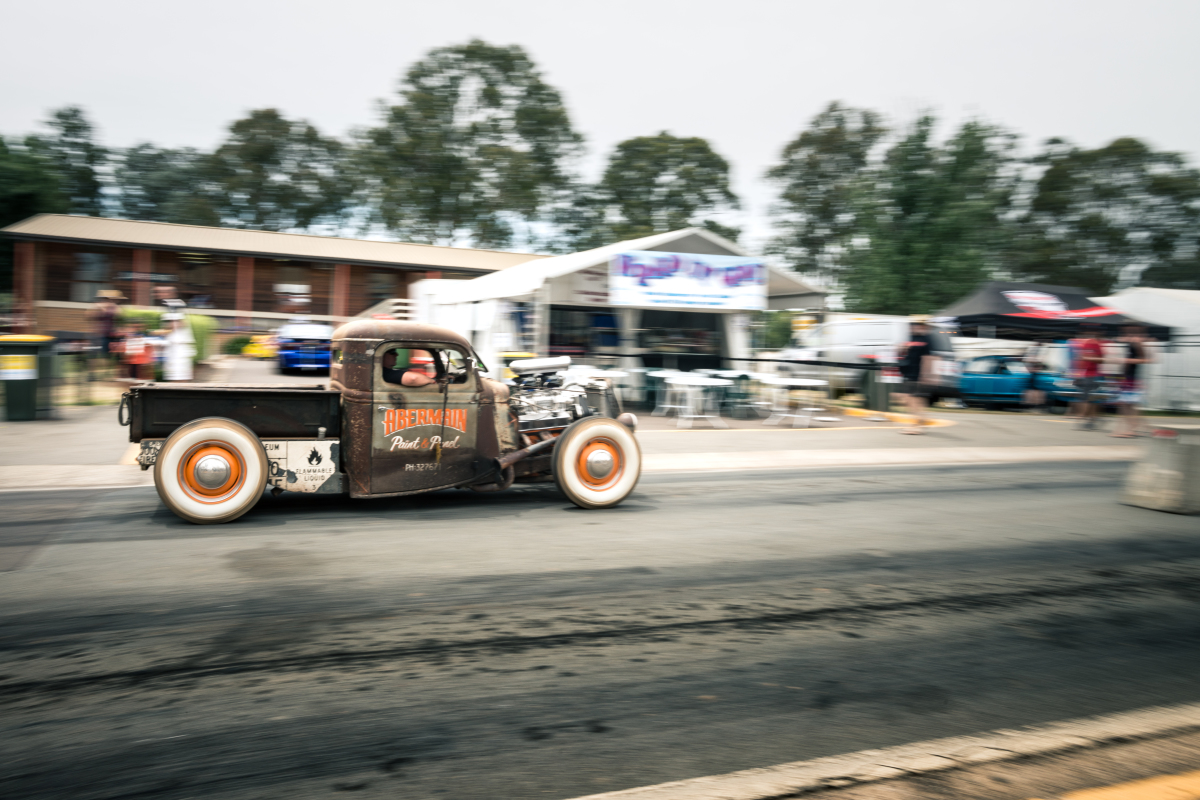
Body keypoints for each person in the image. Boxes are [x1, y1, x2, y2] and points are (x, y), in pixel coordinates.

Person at [1111, 324, 1153, 438]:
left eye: (1126, 329)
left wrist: (1127, 360)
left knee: (1127, 405)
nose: (1123, 331)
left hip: (1132, 378)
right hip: (1128, 378)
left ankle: (1130, 429)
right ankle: (1133, 428)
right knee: (1127, 405)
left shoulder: (1136, 341)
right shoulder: (1131, 341)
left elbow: (1145, 359)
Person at [896, 316, 937, 435]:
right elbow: (905, 353)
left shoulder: (924, 339)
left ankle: (916, 426)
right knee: (916, 400)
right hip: (911, 373)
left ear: (922, 326)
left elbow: (926, 358)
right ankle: (921, 421)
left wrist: (924, 376)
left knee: (911, 400)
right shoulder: (914, 338)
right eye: (912, 325)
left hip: (917, 375)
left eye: (916, 325)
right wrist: (902, 349)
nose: (913, 327)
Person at [1071, 322, 1107, 430]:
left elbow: (1101, 360)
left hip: (1092, 375)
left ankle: (1084, 418)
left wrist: (1088, 359)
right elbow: (1081, 360)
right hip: (1088, 375)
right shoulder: (1090, 344)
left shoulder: (1094, 344)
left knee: (1086, 398)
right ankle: (1091, 419)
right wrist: (1077, 375)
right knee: (1088, 398)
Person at [1022, 336, 1049, 413]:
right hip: (1032, 372)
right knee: (1033, 390)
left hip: (1036, 372)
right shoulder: (1033, 349)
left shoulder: (1041, 349)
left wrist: (1036, 364)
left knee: (1036, 390)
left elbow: (1038, 361)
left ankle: (1035, 405)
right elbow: (1029, 360)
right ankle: (1032, 405)